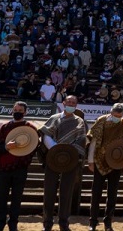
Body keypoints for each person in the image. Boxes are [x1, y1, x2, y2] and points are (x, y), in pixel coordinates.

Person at [40, 95, 87, 231]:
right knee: (49, 192)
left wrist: (67, 153)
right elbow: (46, 135)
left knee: (66, 192)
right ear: (63, 103)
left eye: (74, 102)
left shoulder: (79, 122)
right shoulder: (54, 118)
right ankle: (47, 223)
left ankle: (64, 223)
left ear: (76, 105)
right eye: (69, 102)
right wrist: (56, 149)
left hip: (70, 160)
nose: (71, 104)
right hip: (53, 159)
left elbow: (81, 139)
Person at [0, 101, 37, 231]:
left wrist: (23, 158)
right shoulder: (5, 127)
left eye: (20, 110)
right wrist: (6, 147)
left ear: (25, 112)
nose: (17, 112)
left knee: (17, 198)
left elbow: (33, 148)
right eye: (15, 109)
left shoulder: (31, 128)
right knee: (1, 197)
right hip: (3, 168)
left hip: (20, 168)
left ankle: (13, 224)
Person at [87, 103, 123, 231]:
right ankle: (93, 222)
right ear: (111, 112)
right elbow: (94, 141)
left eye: (120, 115)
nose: (117, 117)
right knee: (96, 193)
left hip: (117, 162)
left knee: (112, 195)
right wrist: (91, 161)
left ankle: (108, 222)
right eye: (115, 115)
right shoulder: (101, 120)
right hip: (99, 161)